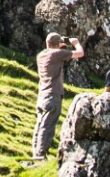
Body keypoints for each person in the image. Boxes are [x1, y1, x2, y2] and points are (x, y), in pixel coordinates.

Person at [31, 31, 85, 160]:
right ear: (58, 43)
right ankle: (40, 154)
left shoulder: (41, 55)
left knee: (40, 124)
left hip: (42, 95)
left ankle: (35, 152)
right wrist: (76, 43)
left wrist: (60, 45)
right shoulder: (58, 54)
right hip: (53, 94)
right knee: (48, 125)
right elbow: (80, 53)